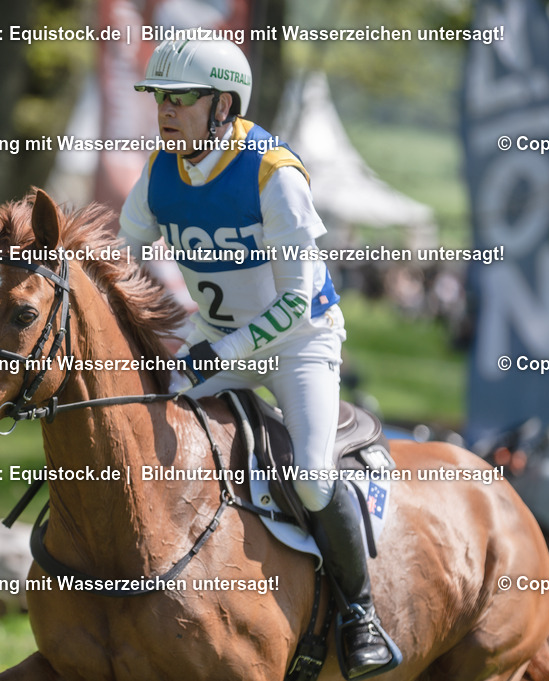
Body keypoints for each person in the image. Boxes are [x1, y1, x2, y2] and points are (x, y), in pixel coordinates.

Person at [119, 39, 398, 679]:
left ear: (223, 104)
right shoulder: (162, 169)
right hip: (217, 336)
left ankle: (361, 616)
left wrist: (222, 349)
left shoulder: (273, 172)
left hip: (299, 342)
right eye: (160, 97)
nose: (165, 110)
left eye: (180, 98)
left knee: (311, 475)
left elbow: (297, 303)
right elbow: (119, 253)